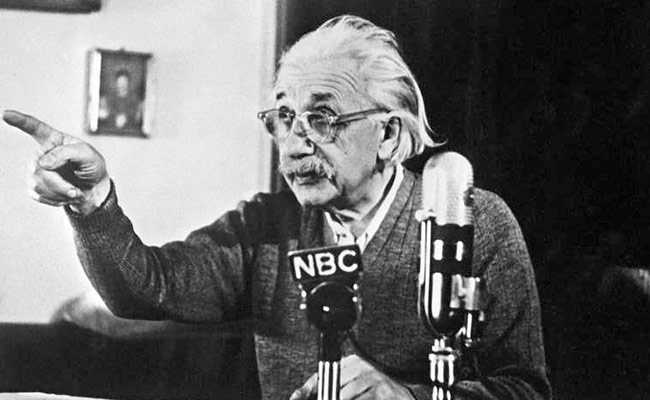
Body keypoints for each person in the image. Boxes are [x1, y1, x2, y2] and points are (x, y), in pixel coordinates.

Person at [3, 15, 551, 400]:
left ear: (387, 135)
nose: (293, 144)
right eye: (284, 117)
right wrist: (92, 204)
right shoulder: (267, 227)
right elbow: (146, 289)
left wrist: (409, 397)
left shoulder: (474, 222)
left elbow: (524, 390)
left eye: (322, 118)